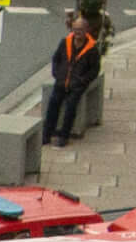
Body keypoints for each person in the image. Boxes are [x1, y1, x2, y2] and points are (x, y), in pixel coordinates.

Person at [45, 10, 107, 147]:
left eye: (80, 29)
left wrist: (82, 81)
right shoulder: (65, 42)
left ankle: (64, 136)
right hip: (62, 81)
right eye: (75, 29)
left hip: (77, 85)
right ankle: (47, 135)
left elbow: (94, 70)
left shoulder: (92, 49)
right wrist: (56, 73)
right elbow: (56, 59)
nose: (77, 32)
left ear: (86, 31)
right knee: (53, 104)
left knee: (71, 107)